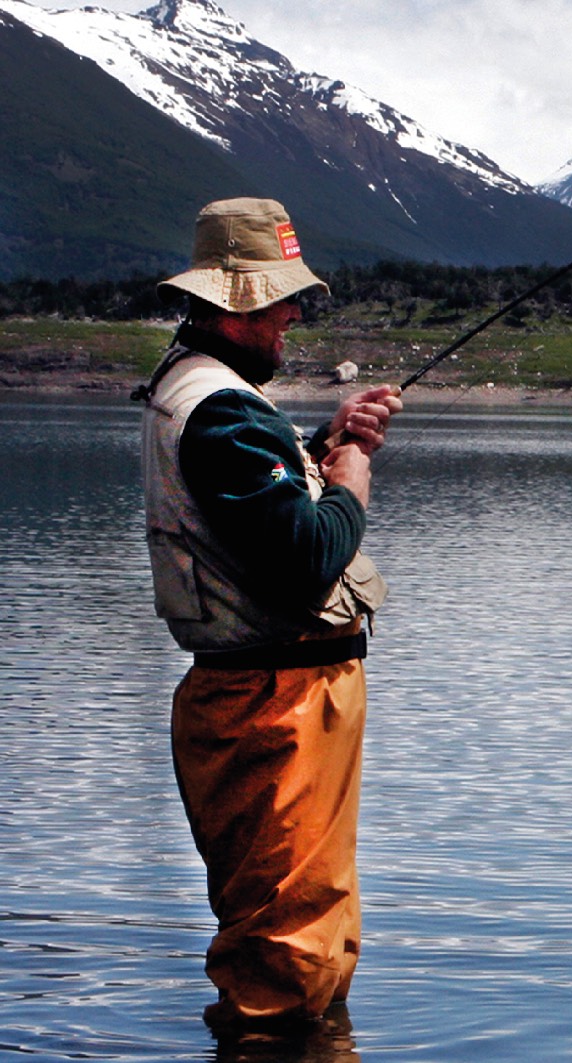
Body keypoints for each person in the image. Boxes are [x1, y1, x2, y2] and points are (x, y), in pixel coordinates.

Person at [133, 198, 402, 1039]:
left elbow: (252, 502)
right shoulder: (222, 410)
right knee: (286, 956)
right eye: (281, 301)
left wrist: (320, 441)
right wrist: (351, 470)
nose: (292, 316)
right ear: (238, 302)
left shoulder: (202, 393)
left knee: (301, 938)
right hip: (274, 706)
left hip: (266, 698)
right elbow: (306, 554)